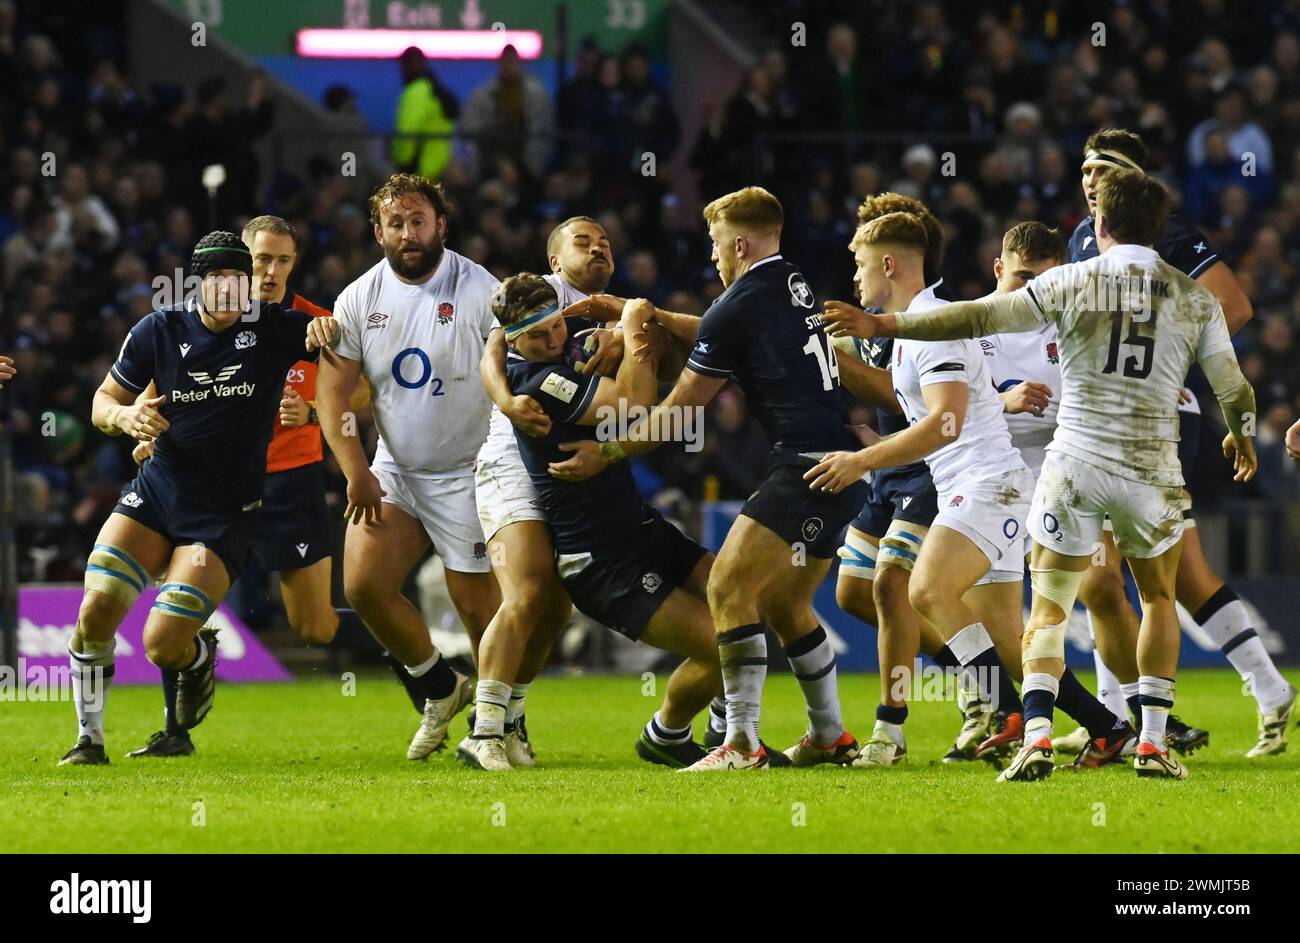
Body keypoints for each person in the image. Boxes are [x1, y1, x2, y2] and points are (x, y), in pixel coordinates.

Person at [826, 169, 1258, 781]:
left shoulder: (1070, 282)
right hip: (1149, 463)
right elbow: (1233, 387)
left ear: (1100, 227)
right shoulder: (1192, 298)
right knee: (1159, 598)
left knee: (1045, 610)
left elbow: (976, 318)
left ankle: (1030, 729)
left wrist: (887, 325)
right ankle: (1150, 742)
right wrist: (1241, 434)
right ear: (1159, 230)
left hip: (1071, 463)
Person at [551, 187, 865, 771]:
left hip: (805, 468)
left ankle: (740, 743)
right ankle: (829, 735)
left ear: (740, 244)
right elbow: (728, 328)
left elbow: (678, 411)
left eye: (718, 244)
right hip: (840, 462)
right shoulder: (791, 285)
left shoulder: (739, 303)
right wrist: (646, 313)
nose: (714, 256)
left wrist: (609, 452)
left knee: (726, 589)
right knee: (788, 605)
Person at [814, 213, 1134, 781]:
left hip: (989, 485)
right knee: (1012, 645)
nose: (856, 277)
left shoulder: (934, 324)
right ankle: (1108, 727)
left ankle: (1005, 710)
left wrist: (863, 460)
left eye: (861, 264)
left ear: (889, 264)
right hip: (981, 484)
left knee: (926, 589)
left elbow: (945, 424)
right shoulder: (914, 327)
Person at [58, 231, 338, 765]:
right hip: (157, 492)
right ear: (200, 283)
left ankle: (197, 654)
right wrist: (123, 416)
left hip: (223, 514)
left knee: (161, 644)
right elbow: (102, 400)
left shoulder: (275, 328)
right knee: (95, 609)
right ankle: (89, 740)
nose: (233, 292)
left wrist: (331, 336)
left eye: (241, 280)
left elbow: (353, 357)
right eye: (222, 280)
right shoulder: (157, 330)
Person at [1068, 128, 1296, 758]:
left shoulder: (1162, 232)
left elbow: (1235, 305)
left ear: (1134, 177)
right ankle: (1268, 686)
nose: (1089, 179)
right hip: (1107, 419)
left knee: (1103, 577)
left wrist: (1164, 366)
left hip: (1162, 416)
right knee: (1182, 576)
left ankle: (1120, 720)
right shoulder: (1080, 241)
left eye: (1104, 168)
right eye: (1084, 168)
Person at [124, 215, 374, 758]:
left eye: (284, 260)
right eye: (262, 259)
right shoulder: (199, 324)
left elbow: (363, 394)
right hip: (208, 484)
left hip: (288, 481)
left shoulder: (311, 324)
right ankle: (175, 729)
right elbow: (158, 390)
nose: (272, 271)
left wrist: (312, 412)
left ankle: (408, 649)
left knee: (315, 627)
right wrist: (143, 431)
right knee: (179, 596)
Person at [489, 274, 720, 771]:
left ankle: (719, 728)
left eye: (555, 328)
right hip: (602, 562)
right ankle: (670, 732)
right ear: (515, 342)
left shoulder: (560, 349)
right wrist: (634, 322)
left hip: (639, 528)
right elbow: (634, 407)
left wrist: (616, 334)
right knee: (727, 645)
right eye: (537, 337)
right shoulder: (537, 380)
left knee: (743, 604)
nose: (552, 342)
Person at [316, 174, 500, 761]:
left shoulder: (478, 289)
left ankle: (503, 724)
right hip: (395, 470)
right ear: (378, 232)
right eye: (396, 223)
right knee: (363, 586)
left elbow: (506, 372)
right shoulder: (357, 299)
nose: (408, 232)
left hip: (468, 472)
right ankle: (440, 686)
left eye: (418, 220)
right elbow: (331, 395)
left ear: (441, 225)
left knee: (478, 609)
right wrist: (355, 470)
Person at [391, 46, 458, 181]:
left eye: (405, 64)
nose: (402, 70)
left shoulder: (416, 90)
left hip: (419, 171)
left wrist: (402, 166)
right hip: (440, 168)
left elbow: (407, 130)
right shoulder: (437, 91)